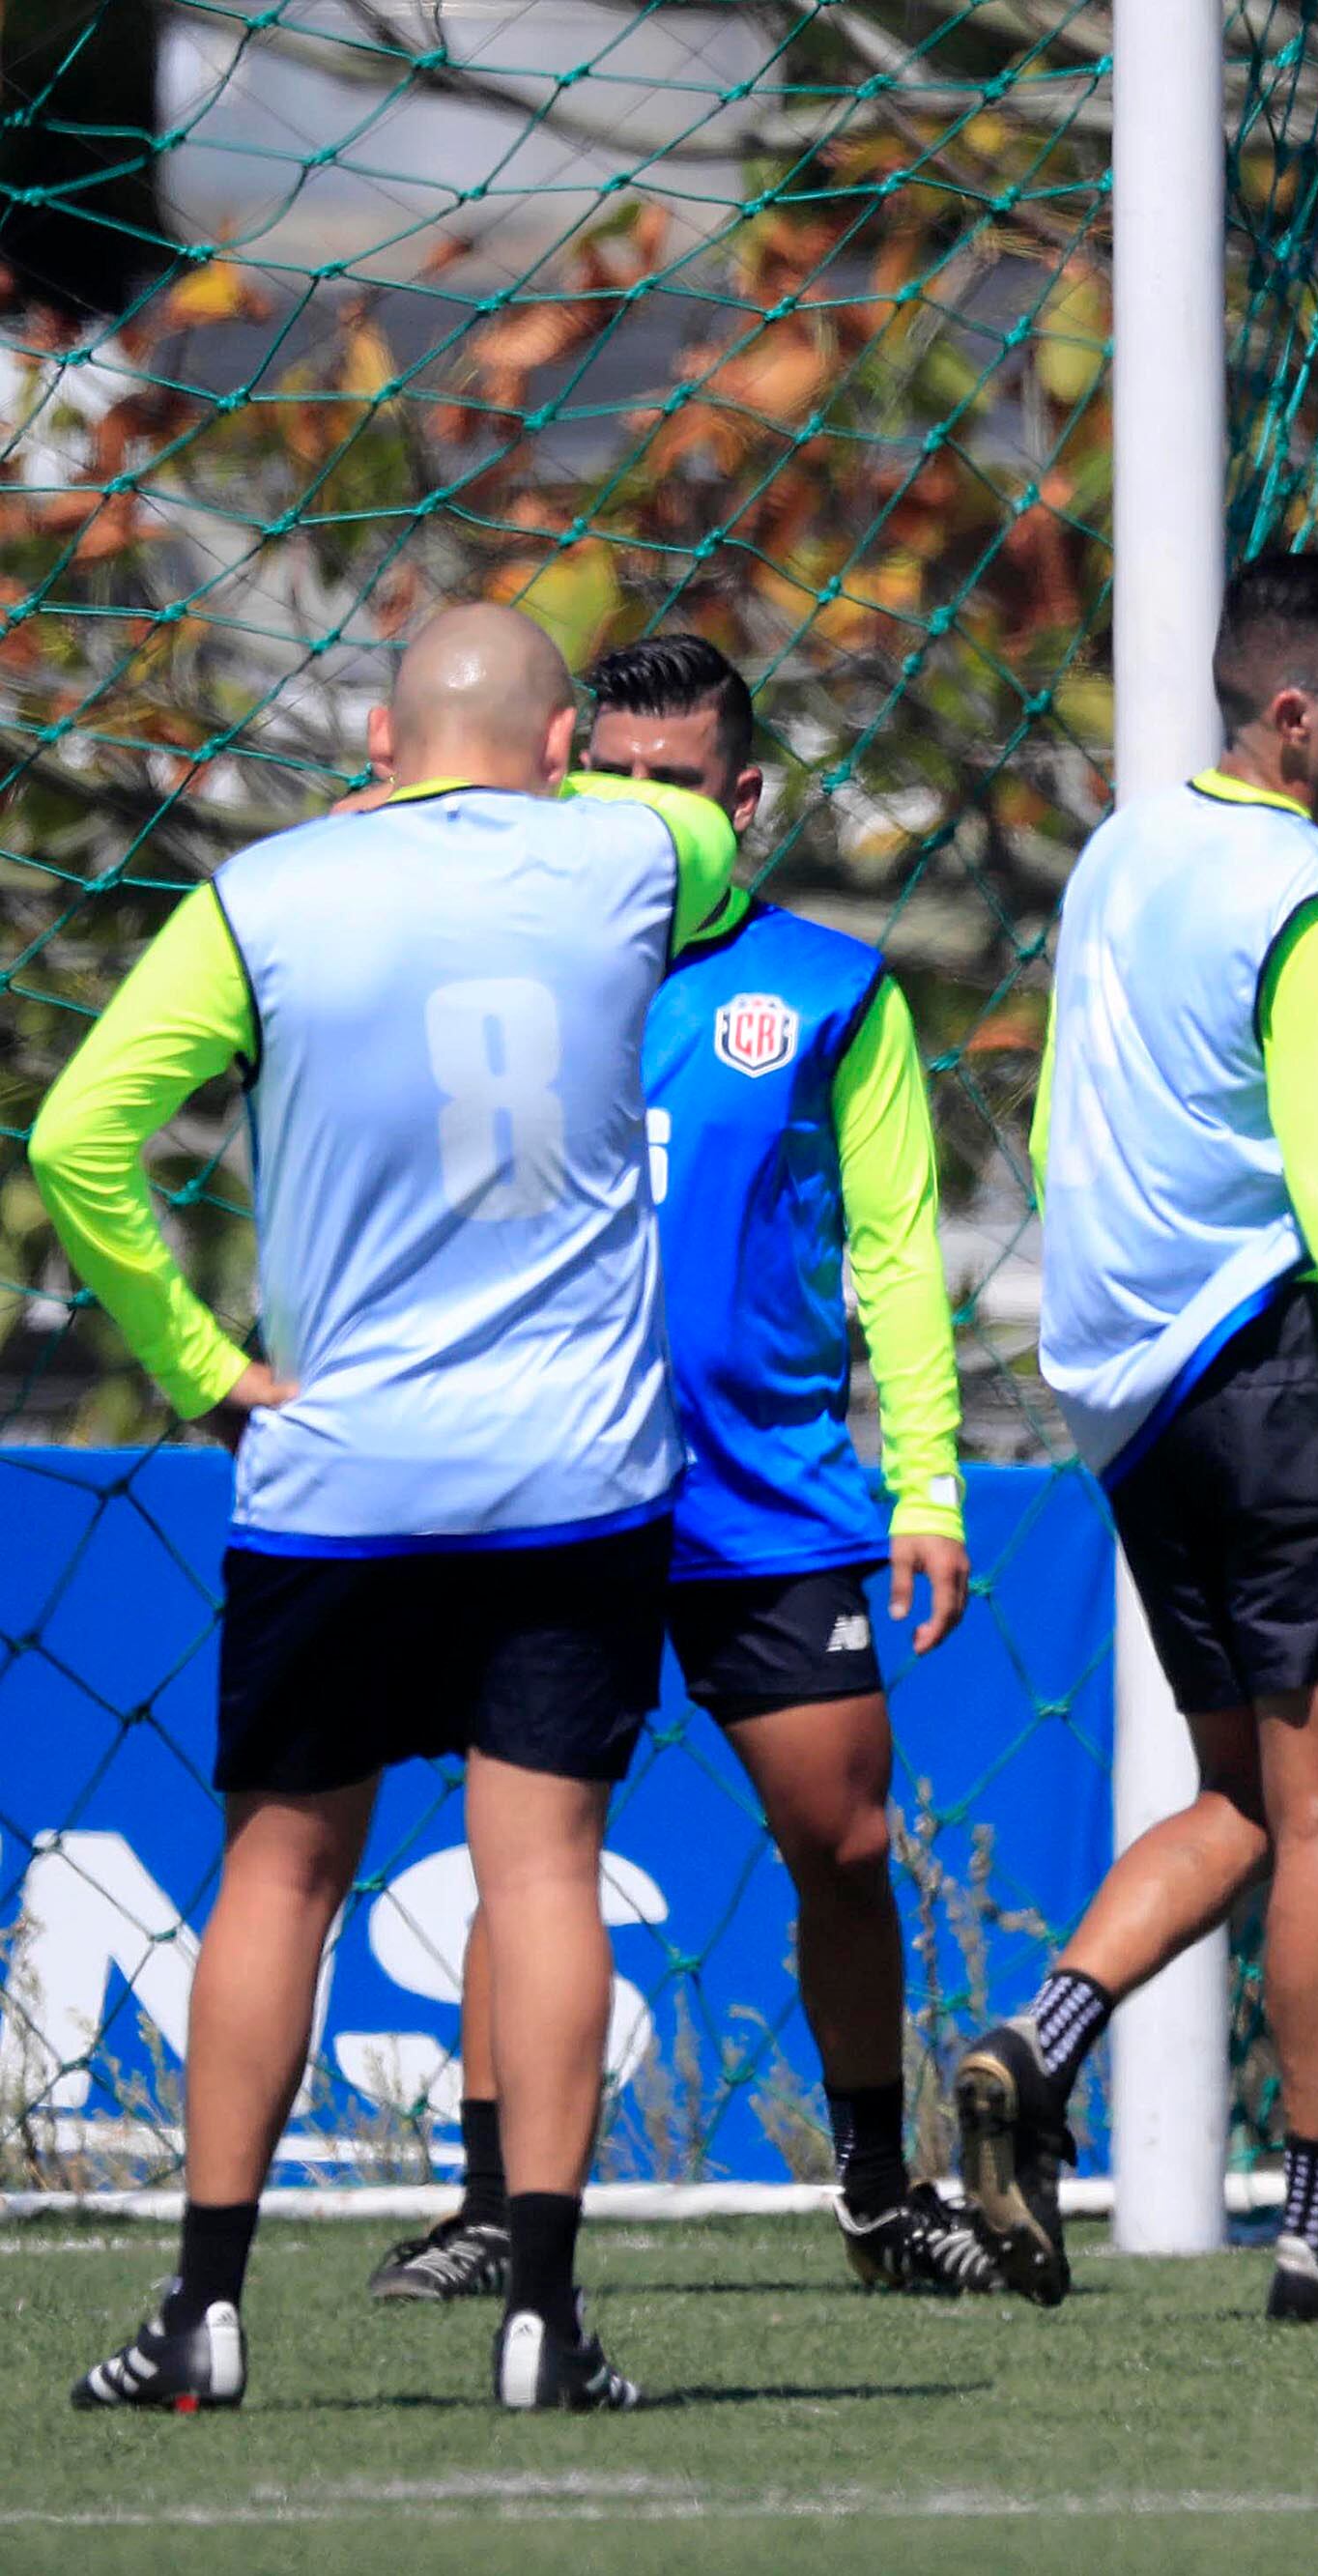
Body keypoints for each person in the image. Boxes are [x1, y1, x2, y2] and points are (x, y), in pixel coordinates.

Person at [35, 602, 742, 2412]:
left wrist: (202, 1364)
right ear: (566, 744)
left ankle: (203, 2311)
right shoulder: (636, 858)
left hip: (339, 1472)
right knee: (545, 1871)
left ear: (373, 737)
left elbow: (77, 1136)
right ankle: (544, 2316)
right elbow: (705, 834)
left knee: (279, 1874)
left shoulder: (265, 897)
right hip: (573, 1478)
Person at [365, 634, 996, 2307]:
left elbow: (898, 1252)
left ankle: (878, 2194)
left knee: (843, 1843)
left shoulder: (832, 991)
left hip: (765, 1497)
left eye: (677, 783)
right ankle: (492, 2206)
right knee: (531, 1852)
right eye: (614, 778)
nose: (642, 812)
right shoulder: (498, 968)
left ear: (747, 797)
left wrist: (927, 1483)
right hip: (555, 1483)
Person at [945, 550, 1318, 2325]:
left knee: (1248, 1799)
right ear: (1292, 713)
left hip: (1128, 1393)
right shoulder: (1308, 889)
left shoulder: (1121, 852)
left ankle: (1037, 2048)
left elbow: (1064, 1117)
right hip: (1269, 1375)